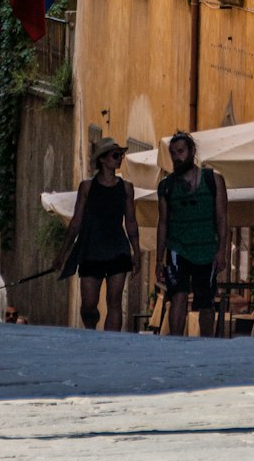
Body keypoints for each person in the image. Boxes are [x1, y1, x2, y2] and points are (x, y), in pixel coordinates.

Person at [58, 138, 141, 331]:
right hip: (91, 250)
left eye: (121, 154)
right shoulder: (87, 187)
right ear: (102, 160)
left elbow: (130, 221)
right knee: (88, 305)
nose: (119, 158)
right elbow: (76, 221)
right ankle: (91, 332)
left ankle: (111, 344)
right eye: (115, 155)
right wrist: (62, 254)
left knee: (114, 302)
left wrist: (136, 252)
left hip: (118, 249)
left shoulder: (126, 188)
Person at [156, 132, 228, 337]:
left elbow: (222, 218)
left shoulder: (213, 180)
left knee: (206, 301)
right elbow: (162, 223)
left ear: (192, 151)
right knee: (177, 295)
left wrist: (222, 250)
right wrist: (159, 259)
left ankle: (206, 344)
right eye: (173, 153)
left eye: (180, 151)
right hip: (178, 247)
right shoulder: (166, 186)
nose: (177, 157)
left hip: (207, 248)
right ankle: (176, 342)